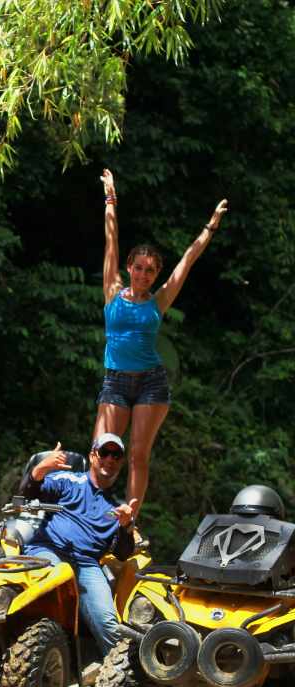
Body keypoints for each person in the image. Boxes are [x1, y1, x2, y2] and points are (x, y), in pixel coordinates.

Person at [94, 169, 228, 517]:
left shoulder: (159, 301)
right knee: (102, 449)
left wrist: (210, 226)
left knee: (137, 454)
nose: (143, 274)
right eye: (138, 268)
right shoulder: (112, 291)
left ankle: (129, 520)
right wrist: (111, 199)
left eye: (150, 270)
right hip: (116, 381)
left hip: (151, 384)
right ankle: (91, 513)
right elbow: (111, 241)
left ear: (155, 275)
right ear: (129, 268)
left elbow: (187, 261)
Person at [22, 436, 137, 656]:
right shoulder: (68, 480)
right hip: (48, 550)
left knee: (108, 623)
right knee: (49, 590)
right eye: (104, 453)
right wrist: (40, 469)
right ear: (93, 456)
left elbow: (123, 554)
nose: (110, 459)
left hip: (86, 564)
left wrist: (126, 526)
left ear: (121, 463)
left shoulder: (118, 508)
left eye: (116, 455)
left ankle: (119, 678)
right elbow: (29, 493)